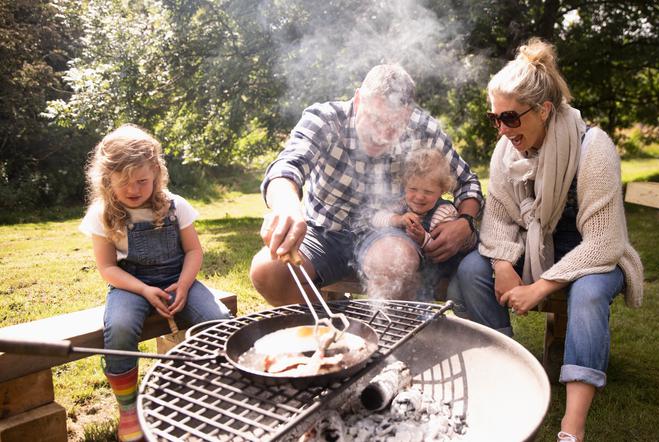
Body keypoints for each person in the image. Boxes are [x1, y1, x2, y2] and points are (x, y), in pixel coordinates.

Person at [447, 38, 643, 442]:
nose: (502, 129)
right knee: (470, 271)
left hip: (592, 252)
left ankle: (572, 427)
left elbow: (605, 242)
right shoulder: (506, 151)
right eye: (494, 118)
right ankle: (506, 376)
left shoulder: (593, 147)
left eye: (511, 118)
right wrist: (502, 265)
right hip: (537, 250)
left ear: (544, 110)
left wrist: (541, 286)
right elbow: (498, 217)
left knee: (588, 294)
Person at [250, 64, 482, 304]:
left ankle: (392, 334)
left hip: (388, 231)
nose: (380, 134)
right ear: (359, 99)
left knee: (394, 261)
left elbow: (467, 182)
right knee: (268, 271)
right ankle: (334, 329)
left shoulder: (423, 130)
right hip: (324, 231)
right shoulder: (326, 120)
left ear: (408, 114)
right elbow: (286, 167)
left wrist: (465, 222)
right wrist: (287, 207)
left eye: (393, 125)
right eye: (374, 119)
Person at [79, 124, 232, 442]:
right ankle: (129, 409)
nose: (134, 189)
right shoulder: (103, 214)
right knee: (119, 327)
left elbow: (193, 250)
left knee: (219, 321)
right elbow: (107, 267)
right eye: (124, 183)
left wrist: (185, 285)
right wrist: (143, 290)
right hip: (130, 286)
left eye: (142, 181)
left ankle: (222, 391)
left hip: (179, 280)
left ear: (156, 174)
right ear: (107, 180)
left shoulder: (176, 206)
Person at [370, 148, 476, 301]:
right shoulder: (401, 204)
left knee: (421, 289)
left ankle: (421, 318)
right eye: (413, 189)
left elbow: (439, 247)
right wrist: (397, 219)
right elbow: (376, 218)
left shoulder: (444, 212)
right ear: (404, 185)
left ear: (442, 190)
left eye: (428, 191)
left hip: (440, 267)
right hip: (412, 267)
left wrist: (422, 238)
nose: (419, 197)